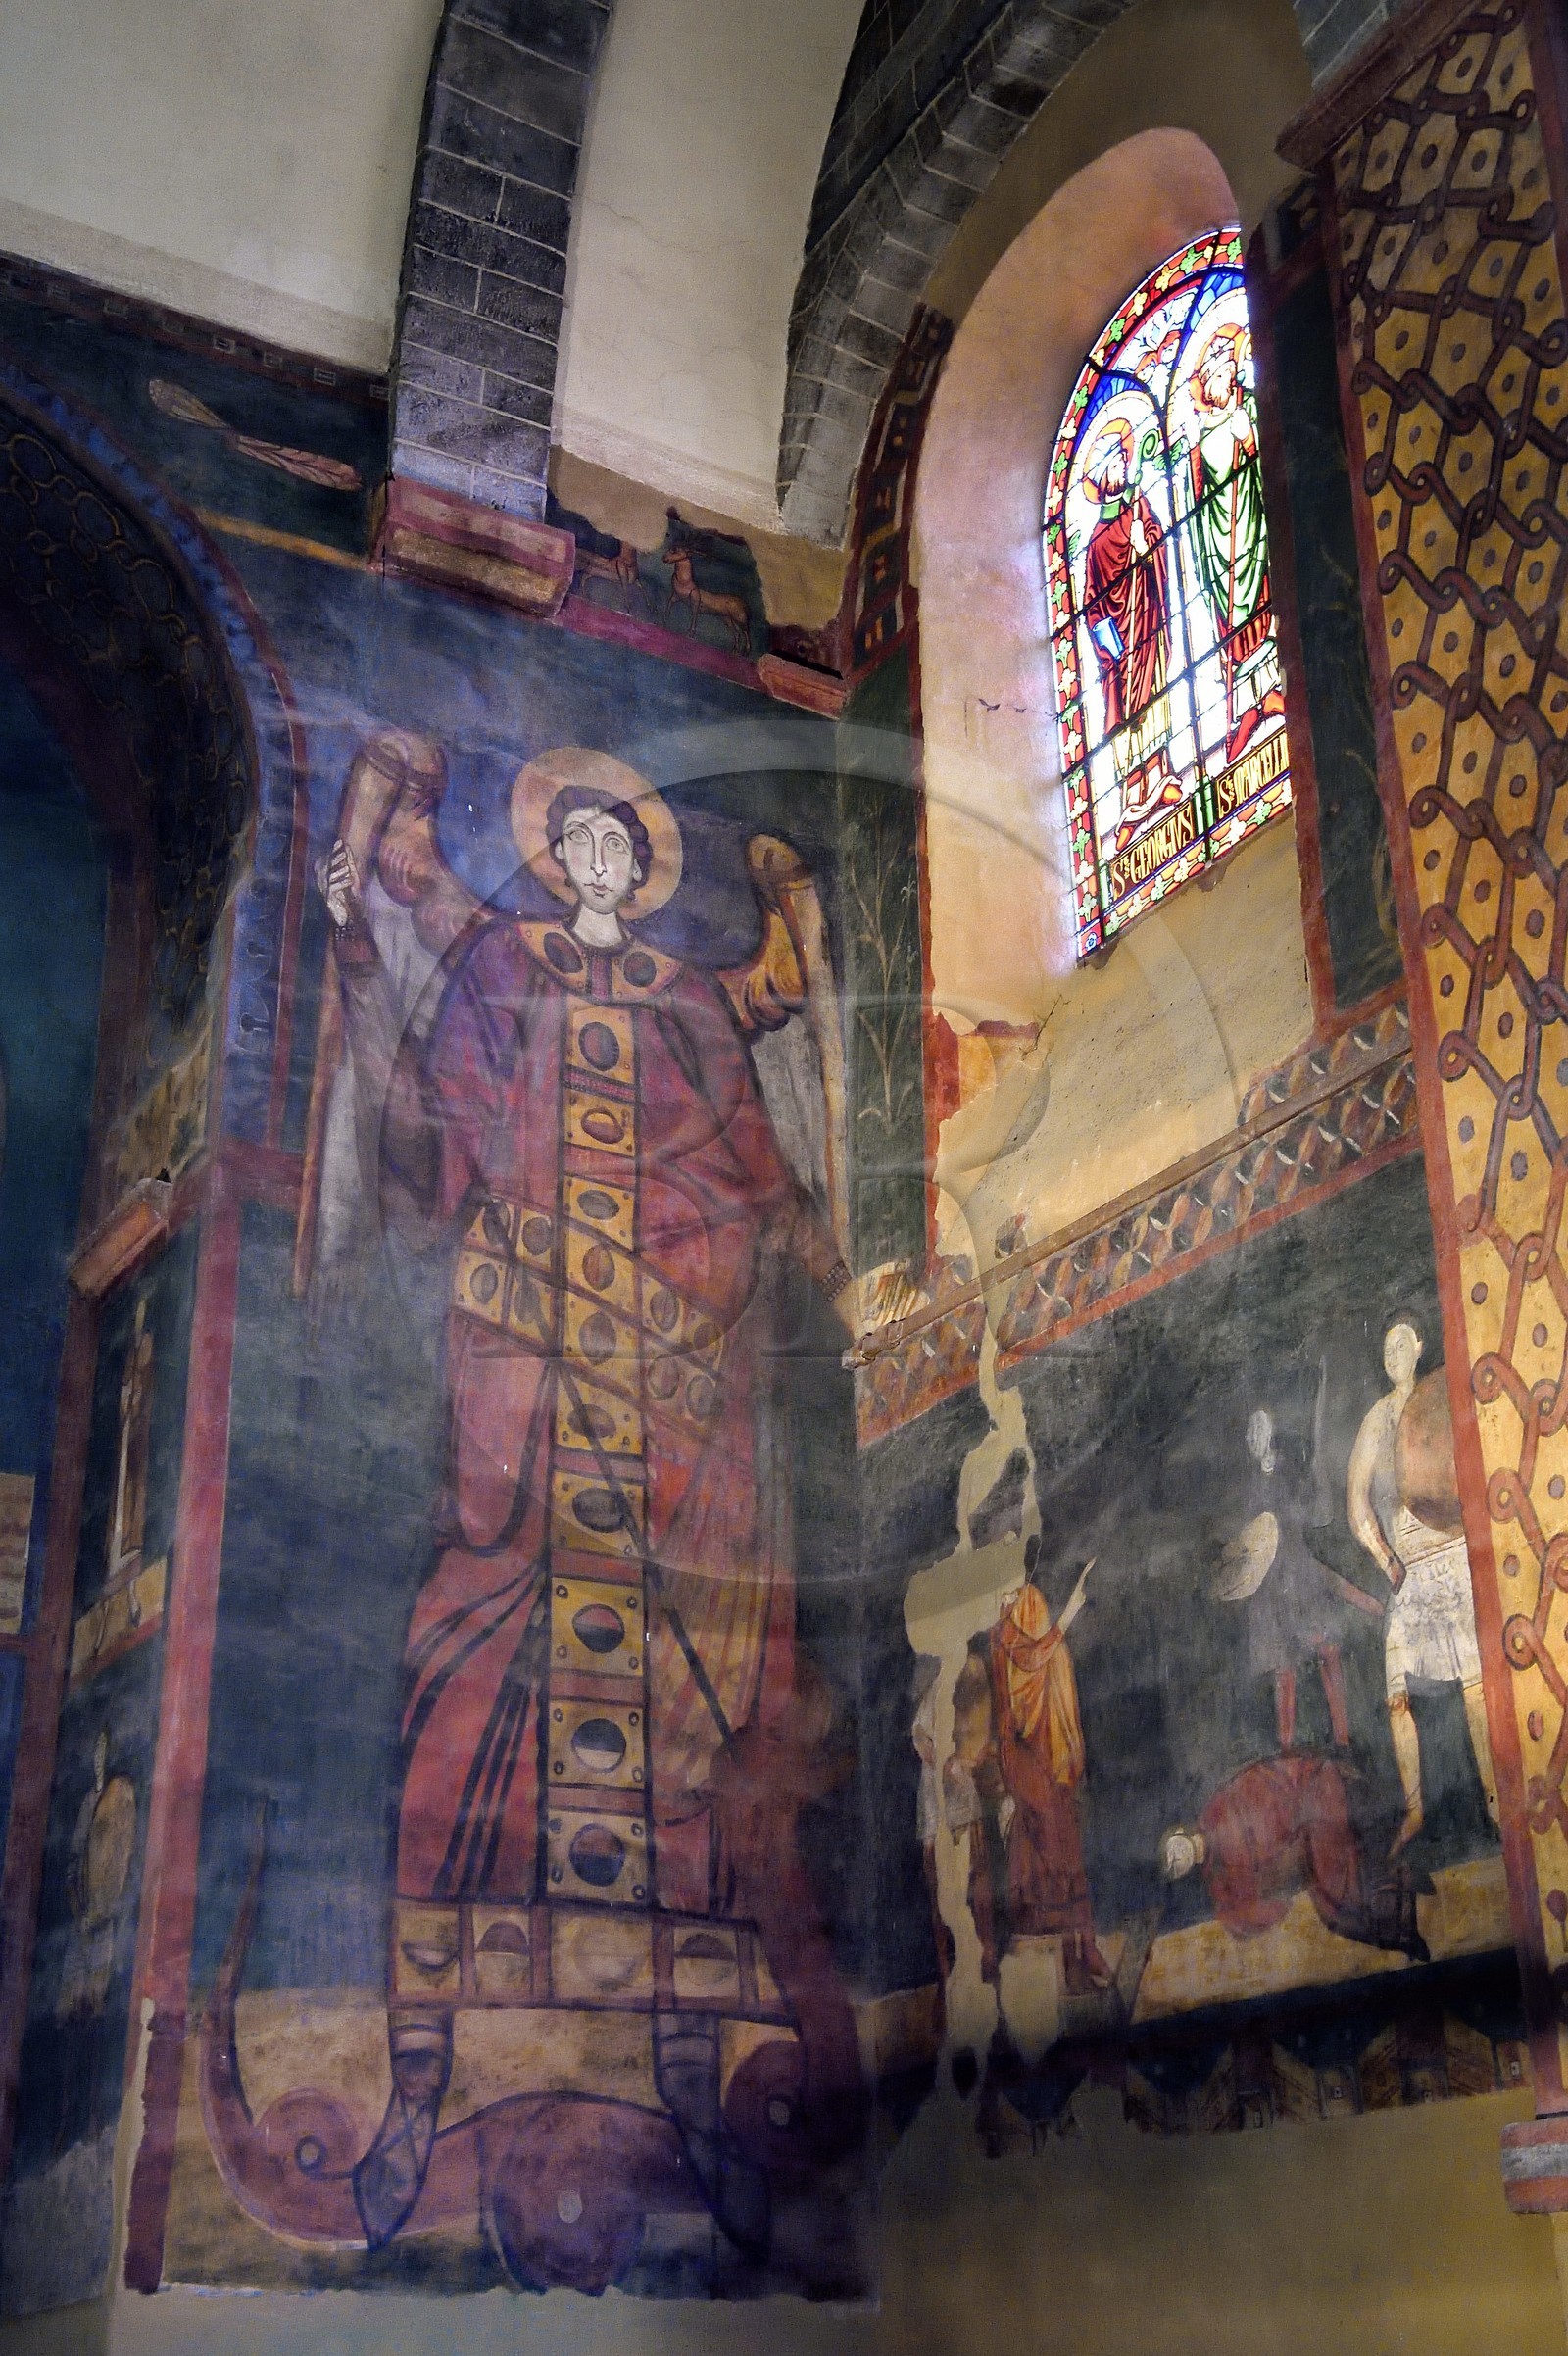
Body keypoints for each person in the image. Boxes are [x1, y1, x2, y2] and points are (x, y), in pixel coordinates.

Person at [322, 748, 861, 2251]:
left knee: (686, 1753)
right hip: (532, 1391)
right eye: (578, 841)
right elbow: (441, 1118)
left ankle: (690, 2099)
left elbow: (757, 1167)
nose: (604, 861)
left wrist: (837, 1265)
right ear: (554, 860)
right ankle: (416, 2094)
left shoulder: (691, 1003)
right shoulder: (502, 965)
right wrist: (367, 886)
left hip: (669, 1417)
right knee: (461, 1671)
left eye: (624, 841)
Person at [1346, 1321, 1497, 1856]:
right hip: (1409, 1570)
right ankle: (1414, 1810)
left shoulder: (1441, 1394)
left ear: (1420, 1349)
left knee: (1476, 1686)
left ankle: (1498, 1801)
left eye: (1403, 1343)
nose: (1395, 1353)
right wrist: (1386, 1560)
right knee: (1396, 1697)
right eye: (1386, 1346)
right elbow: (1357, 1503)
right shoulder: (1377, 1420)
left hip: (1454, 1558)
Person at [952, 1544, 1109, 1997]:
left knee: (1067, 1844)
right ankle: (1077, 1955)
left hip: (1043, 1748)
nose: (1011, 1601)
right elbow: (1036, 1657)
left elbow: (1046, 1665)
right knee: (1053, 1848)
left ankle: (1085, 1945)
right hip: (1019, 1752)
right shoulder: (1003, 1632)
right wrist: (1071, 1612)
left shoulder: (1025, 1609)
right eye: (1008, 1593)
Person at [1160, 1752, 1428, 1962]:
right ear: (1183, 1874)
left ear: (1179, 1834)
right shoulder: (1216, 1878)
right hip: (1303, 1841)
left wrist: (1290, 1838)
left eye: (1173, 1850)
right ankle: (1402, 1924)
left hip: (1310, 1794)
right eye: (1175, 1867)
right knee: (1335, 1915)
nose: (1178, 1858)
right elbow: (1252, 1908)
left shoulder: (1217, 1810)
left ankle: (1402, 1911)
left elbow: (1269, 1792)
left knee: (1339, 1890)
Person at [1215, 1405, 1349, 1755]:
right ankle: (1287, 1746)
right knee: (1282, 1666)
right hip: (1269, 1585)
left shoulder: (1289, 1470)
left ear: (1270, 1432)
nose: (1254, 1438)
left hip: (1297, 1572)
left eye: (1259, 1430)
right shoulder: (1249, 1487)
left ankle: (1343, 1738)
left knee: (1325, 1648)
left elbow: (1310, 1512)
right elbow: (1248, 1538)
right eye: (1249, 1434)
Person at [1186, 322, 1285, 765]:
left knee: (1263, 602)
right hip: (1220, 543)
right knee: (1236, 621)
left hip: (1253, 530)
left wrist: (1249, 439)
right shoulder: (1201, 438)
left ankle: (1273, 692)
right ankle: (1248, 707)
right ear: (1209, 390)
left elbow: (1266, 468)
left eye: (1228, 373)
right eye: (1217, 378)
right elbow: (1200, 496)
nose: (1224, 382)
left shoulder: (1249, 415)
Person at [1080, 420, 1180, 849]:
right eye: (1112, 462)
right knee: (1123, 715)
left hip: (1148, 627)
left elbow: (1159, 548)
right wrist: (1110, 650)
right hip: (1120, 652)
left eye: (1122, 458)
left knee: (1155, 695)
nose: (1120, 465)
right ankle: (1132, 794)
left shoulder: (1140, 506)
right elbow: (1089, 605)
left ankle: (1162, 774)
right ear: (1101, 479)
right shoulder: (1096, 542)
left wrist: (1147, 545)